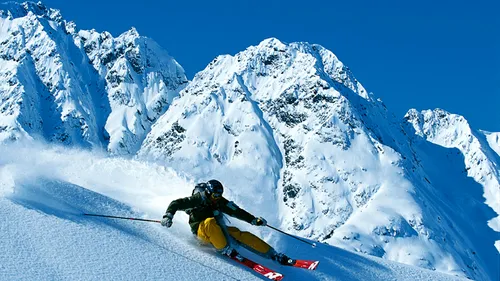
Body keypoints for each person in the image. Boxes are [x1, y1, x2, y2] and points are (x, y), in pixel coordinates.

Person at [160, 179, 295, 265]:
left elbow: (237, 211)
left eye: (219, 195)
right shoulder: (197, 199)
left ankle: (273, 255)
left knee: (239, 234)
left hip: (218, 231)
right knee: (210, 222)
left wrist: (254, 220)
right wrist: (168, 216)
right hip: (202, 232)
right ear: (208, 192)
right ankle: (225, 250)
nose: (217, 198)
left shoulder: (220, 201)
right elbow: (176, 203)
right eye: (215, 195)